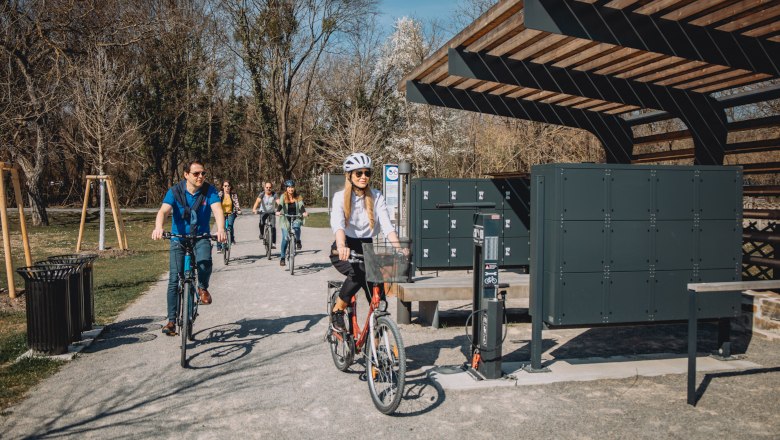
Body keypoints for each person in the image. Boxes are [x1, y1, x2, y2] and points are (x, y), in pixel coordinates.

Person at [151, 160, 226, 336]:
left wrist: (221, 229)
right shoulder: (175, 191)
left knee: (205, 262)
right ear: (186, 175)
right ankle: (171, 321)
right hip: (179, 238)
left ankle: (202, 287)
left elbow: (218, 210)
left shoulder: (209, 191)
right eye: (196, 174)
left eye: (203, 173)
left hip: (200, 237)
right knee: (173, 280)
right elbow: (163, 211)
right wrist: (159, 227)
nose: (201, 176)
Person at [329, 153, 401, 330]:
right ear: (350, 176)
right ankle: (337, 311)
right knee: (358, 273)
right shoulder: (340, 197)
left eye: (367, 173)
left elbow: (387, 226)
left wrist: (400, 248)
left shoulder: (376, 197)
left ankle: (377, 346)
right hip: (344, 248)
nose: (363, 177)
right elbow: (338, 224)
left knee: (378, 298)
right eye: (358, 173)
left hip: (366, 247)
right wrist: (341, 245)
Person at [275, 179, 308, 266]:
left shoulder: (298, 196)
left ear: (294, 188)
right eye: (289, 187)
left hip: (296, 217)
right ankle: (282, 257)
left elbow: (301, 205)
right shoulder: (283, 196)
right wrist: (278, 211)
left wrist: (304, 212)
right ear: (286, 188)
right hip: (285, 218)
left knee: (297, 227)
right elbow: (281, 204)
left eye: (292, 187)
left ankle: (298, 240)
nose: (291, 189)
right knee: (285, 238)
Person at [216, 179, 241, 253]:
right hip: (221, 213)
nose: (227, 187)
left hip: (231, 213)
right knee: (220, 228)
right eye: (225, 186)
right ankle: (219, 246)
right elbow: (216, 203)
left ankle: (231, 238)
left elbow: (236, 203)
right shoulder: (220, 194)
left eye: (228, 186)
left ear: (230, 187)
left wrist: (238, 210)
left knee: (230, 226)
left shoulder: (233, 195)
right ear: (222, 187)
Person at [252, 182, 277, 249]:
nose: (268, 189)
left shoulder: (274, 194)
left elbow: (278, 202)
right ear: (264, 188)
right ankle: (262, 233)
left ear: (271, 188)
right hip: (263, 212)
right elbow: (257, 202)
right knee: (262, 223)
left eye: (270, 187)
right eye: (267, 187)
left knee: (273, 227)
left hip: (271, 212)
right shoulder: (262, 194)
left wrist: (280, 210)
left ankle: (273, 243)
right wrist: (254, 209)